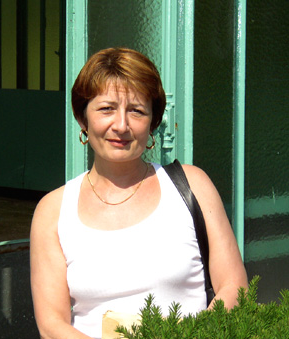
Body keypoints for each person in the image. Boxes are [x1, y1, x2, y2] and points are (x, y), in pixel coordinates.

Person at [30, 47, 247, 339]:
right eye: (106, 109)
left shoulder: (192, 185)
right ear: (83, 119)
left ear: (153, 123)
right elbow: (51, 324)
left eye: (136, 111)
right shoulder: (53, 211)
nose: (121, 125)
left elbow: (235, 284)